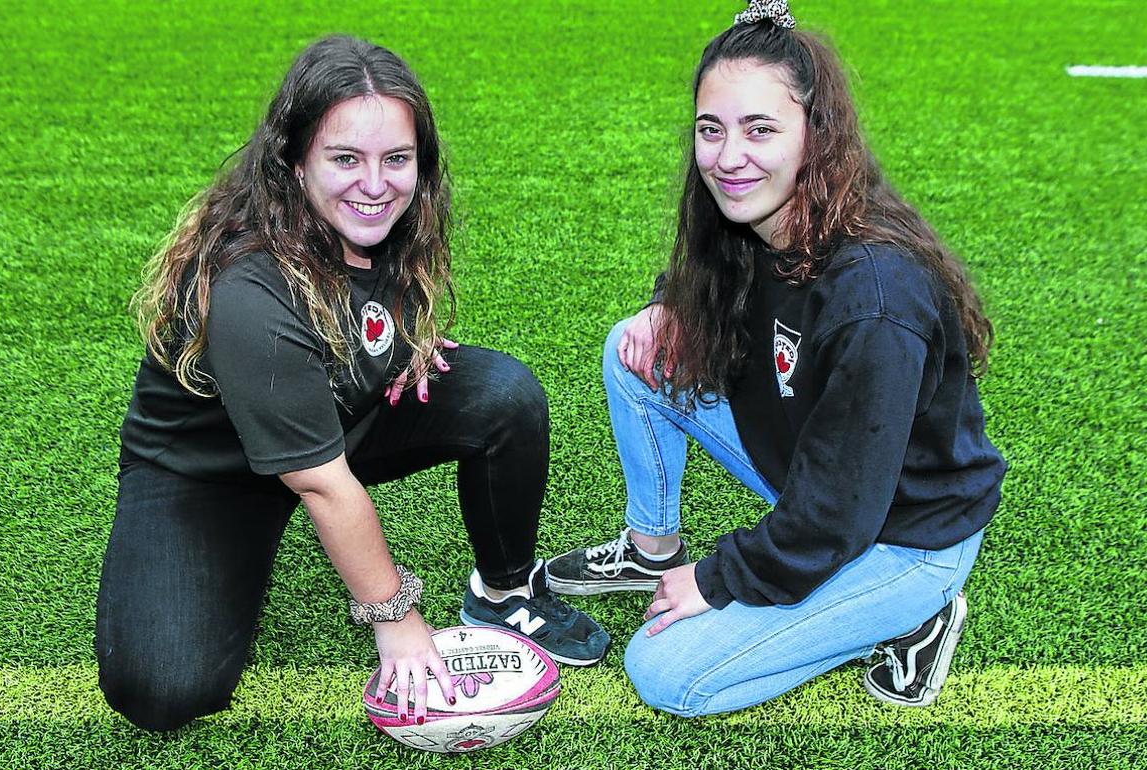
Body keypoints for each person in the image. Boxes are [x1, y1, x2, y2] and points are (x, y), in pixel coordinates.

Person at [96, 35, 608, 733]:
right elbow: (321, 482)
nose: (376, 184)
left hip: (334, 418)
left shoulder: (388, 216)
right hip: (209, 473)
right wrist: (395, 619)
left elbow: (368, 308)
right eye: (345, 159)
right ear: (293, 161)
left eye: (397, 159)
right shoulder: (248, 288)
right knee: (160, 689)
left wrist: (402, 349)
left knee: (501, 395)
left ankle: (503, 591)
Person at [546, 0, 1004, 716]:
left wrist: (718, 576)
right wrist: (670, 303)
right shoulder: (756, 216)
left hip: (900, 531)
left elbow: (836, 516)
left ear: (815, 135)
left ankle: (914, 611)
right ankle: (650, 546)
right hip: (820, 464)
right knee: (633, 352)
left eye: (760, 129)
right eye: (711, 129)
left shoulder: (875, 301)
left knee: (666, 673)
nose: (728, 158)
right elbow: (706, 288)